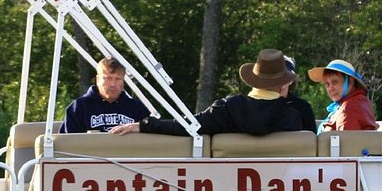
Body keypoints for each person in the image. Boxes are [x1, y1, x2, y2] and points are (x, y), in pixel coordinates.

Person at [108, 48, 302, 137]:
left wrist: (145, 125)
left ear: (254, 80)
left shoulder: (229, 109)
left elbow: (189, 127)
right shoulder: (292, 118)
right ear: (282, 85)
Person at [59, 56, 150, 133]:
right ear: (97, 79)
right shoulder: (79, 107)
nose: (112, 84)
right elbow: (67, 143)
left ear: (123, 81)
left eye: (117, 79)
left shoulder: (137, 108)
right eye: (108, 78)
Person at [309, 58, 377, 131]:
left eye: (335, 82)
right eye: (327, 84)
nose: (330, 88)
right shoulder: (359, 100)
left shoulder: (349, 107)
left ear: (350, 82)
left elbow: (345, 140)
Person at [280, 55, 317, 133]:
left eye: (284, 74)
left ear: (291, 80)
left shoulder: (303, 108)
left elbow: (311, 140)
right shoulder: (255, 106)